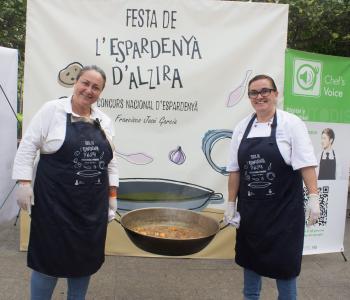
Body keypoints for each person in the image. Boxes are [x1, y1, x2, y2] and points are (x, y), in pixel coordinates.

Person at [12, 65, 119, 300]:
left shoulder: (104, 121)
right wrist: (23, 183)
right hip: (54, 205)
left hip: (90, 207)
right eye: (85, 83)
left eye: (96, 87)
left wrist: (112, 195)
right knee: (48, 260)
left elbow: (110, 162)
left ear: (100, 93)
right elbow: (28, 145)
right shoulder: (52, 111)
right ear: (76, 82)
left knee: (84, 260)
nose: (89, 90)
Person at [224, 74, 320, 300]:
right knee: (250, 266)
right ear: (249, 98)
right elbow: (235, 170)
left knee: (285, 272)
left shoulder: (291, 124)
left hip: (284, 214)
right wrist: (230, 203)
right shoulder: (242, 127)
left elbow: (306, 164)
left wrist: (314, 197)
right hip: (252, 214)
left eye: (265, 91)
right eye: (254, 93)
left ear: (275, 94)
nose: (260, 97)